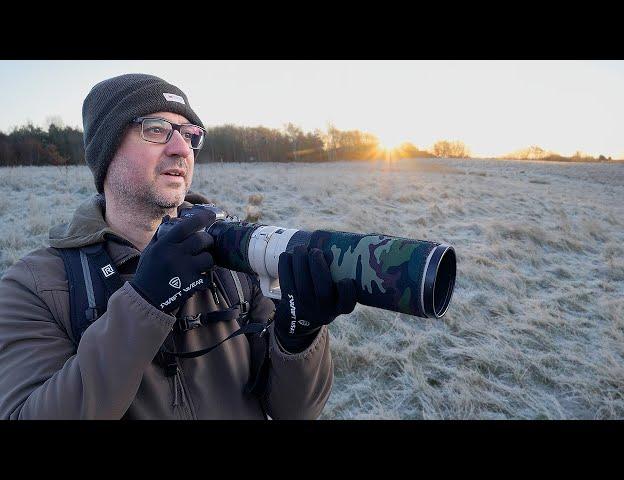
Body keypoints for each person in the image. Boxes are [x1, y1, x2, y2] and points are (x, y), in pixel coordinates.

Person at [0, 73, 357, 419]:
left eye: (190, 135)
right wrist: (145, 303)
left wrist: (299, 337)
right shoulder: (34, 286)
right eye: (156, 130)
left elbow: (295, 411)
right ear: (107, 151)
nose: (181, 148)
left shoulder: (237, 258)